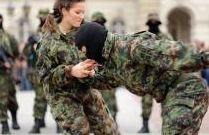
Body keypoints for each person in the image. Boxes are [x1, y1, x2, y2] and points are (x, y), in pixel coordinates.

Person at [75, 22, 209, 135]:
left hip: (187, 88)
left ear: (94, 43)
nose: (88, 56)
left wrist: (205, 58)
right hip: (170, 95)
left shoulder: (131, 47)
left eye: (86, 51)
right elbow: (106, 81)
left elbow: (177, 53)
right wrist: (83, 75)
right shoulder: (111, 61)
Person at [36, 0, 120, 135]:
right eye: (77, 12)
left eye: (83, 12)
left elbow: (103, 58)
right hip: (62, 95)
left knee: (110, 131)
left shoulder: (87, 32)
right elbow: (44, 77)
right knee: (79, 131)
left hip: (87, 90)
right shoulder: (48, 41)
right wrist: (70, 71)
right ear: (64, 11)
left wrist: (94, 71)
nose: (81, 16)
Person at [138, 12, 174, 133]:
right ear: (148, 24)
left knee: (166, 101)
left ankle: (166, 125)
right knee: (146, 102)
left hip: (163, 75)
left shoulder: (166, 36)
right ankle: (145, 125)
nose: (153, 25)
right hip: (148, 75)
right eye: (151, 23)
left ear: (159, 23)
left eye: (155, 23)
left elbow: (174, 52)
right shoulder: (143, 36)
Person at [23, 8, 49, 133]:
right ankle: (38, 122)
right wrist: (30, 44)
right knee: (39, 98)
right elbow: (26, 54)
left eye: (44, 18)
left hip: (55, 69)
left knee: (59, 97)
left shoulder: (57, 31)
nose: (42, 20)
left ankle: (60, 125)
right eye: (41, 18)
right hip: (40, 70)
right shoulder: (35, 32)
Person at [91, 11, 118, 121]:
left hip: (109, 71)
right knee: (95, 98)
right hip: (95, 71)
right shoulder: (89, 36)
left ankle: (112, 119)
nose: (99, 24)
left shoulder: (110, 36)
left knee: (110, 98)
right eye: (96, 22)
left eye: (101, 22)